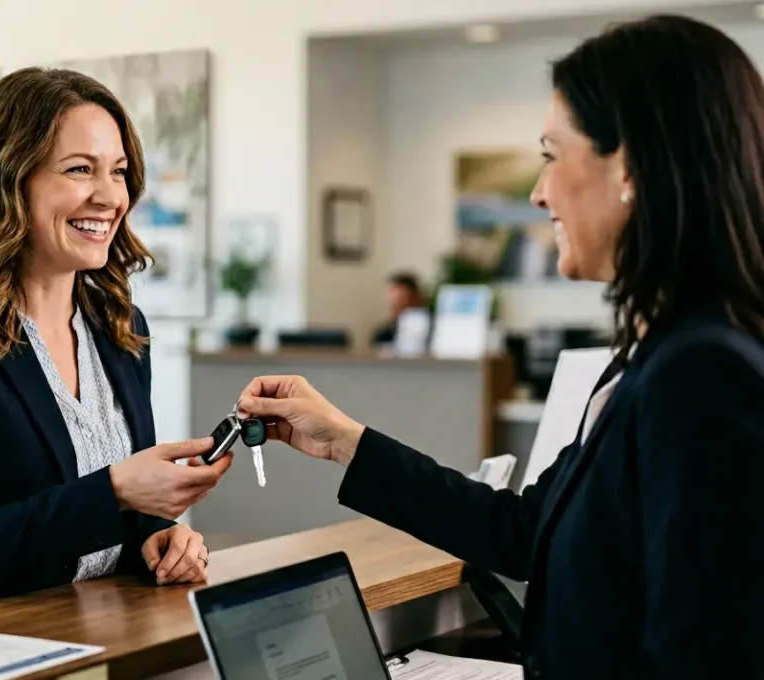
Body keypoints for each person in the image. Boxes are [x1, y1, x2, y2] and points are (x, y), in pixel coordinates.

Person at [235, 15, 764, 679]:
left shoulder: (702, 374)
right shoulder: (658, 354)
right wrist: (344, 439)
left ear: (628, 167)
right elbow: (525, 530)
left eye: (550, 154)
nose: (539, 193)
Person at [0, 67, 231, 619]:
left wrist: (163, 538)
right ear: (8, 178)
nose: (109, 195)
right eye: (80, 169)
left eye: (119, 172)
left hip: (98, 639)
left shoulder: (120, 327)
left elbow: (122, 515)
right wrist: (114, 492)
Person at [370, 271, 423, 347]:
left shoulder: (429, 330)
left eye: (401, 299)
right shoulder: (383, 335)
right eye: (392, 299)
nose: (394, 305)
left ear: (415, 300)